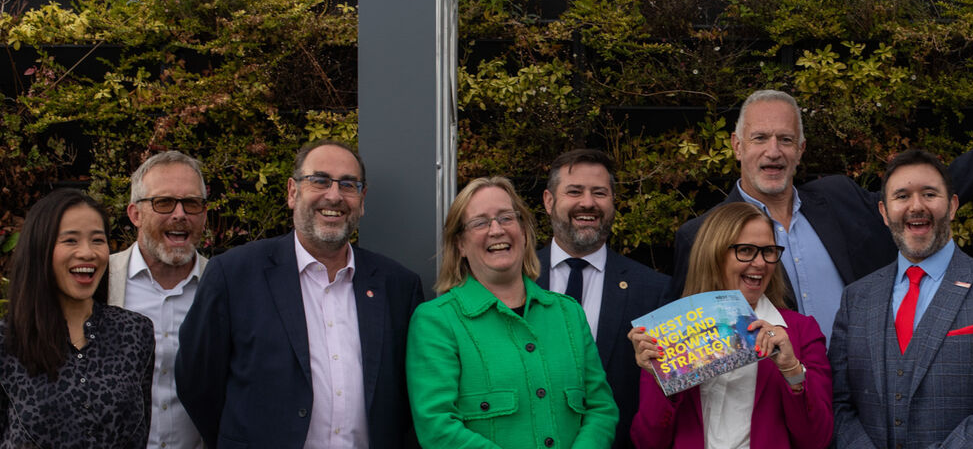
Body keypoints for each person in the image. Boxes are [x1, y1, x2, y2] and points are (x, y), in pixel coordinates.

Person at [672, 83, 973, 339]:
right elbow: (685, 345)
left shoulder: (839, 198)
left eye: (786, 139)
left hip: (862, 402)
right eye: (760, 139)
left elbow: (921, 198)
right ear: (737, 146)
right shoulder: (701, 237)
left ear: (801, 149)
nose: (774, 151)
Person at [177, 140, 427, 448]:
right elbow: (197, 385)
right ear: (293, 192)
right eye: (319, 180)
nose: (334, 195)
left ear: (362, 200)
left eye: (348, 185)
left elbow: (411, 398)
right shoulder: (233, 275)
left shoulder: (398, 286)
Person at [832, 149, 973, 448]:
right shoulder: (856, 298)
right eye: (902, 196)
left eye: (929, 194)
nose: (916, 206)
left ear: (952, 205)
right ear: (884, 213)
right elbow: (838, 401)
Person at [409, 176, 619, 448]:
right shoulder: (437, 321)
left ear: (523, 230)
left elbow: (600, 409)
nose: (496, 230)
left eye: (506, 218)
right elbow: (437, 427)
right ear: (460, 244)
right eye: (480, 222)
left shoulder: (568, 314)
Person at [629, 202, 833, 448]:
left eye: (768, 251)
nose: (760, 263)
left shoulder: (801, 331)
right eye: (746, 250)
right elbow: (646, 442)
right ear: (714, 255)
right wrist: (661, 381)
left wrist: (791, 370)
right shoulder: (671, 331)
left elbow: (817, 440)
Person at [536, 149, 670, 448]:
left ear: (612, 203)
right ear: (548, 201)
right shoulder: (514, 280)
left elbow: (663, 394)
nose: (588, 203)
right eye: (574, 191)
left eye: (600, 193)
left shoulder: (654, 290)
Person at [2, 188, 154, 448]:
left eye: (97, 240)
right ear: (40, 248)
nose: (87, 253)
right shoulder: (7, 340)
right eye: (70, 240)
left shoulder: (136, 332)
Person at [108, 151, 210, 449]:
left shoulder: (222, 287)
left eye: (191, 203)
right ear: (135, 214)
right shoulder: (102, 281)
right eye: (163, 202)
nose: (180, 214)